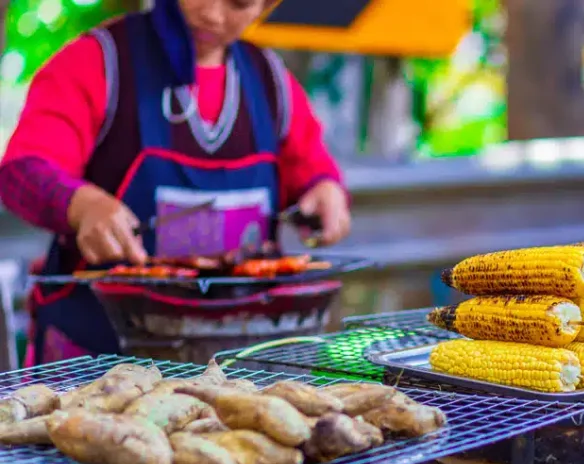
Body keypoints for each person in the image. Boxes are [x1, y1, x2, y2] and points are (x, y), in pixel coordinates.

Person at [0, 0, 352, 365]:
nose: (213, 14)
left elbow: (316, 174)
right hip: (97, 359)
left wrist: (326, 194)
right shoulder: (99, 61)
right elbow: (22, 171)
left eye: (239, 3)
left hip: (242, 361)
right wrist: (82, 205)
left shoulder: (271, 81)